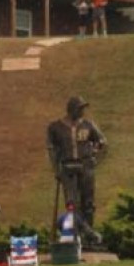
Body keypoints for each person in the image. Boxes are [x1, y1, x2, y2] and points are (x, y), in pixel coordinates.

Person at [46, 96, 107, 237]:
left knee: (88, 203)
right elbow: (51, 149)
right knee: (72, 204)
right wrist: (56, 169)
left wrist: (95, 157)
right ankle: (78, 234)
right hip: (68, 168)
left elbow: (102, 142)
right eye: (80, 109)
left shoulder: (88, 125)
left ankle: (89, 236)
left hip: (86, 167)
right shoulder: (56, 127)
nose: (82, 112)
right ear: (73, 110)